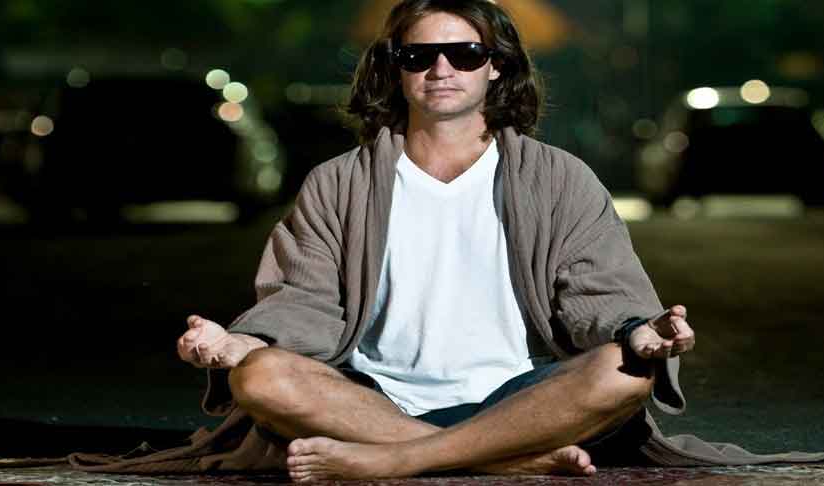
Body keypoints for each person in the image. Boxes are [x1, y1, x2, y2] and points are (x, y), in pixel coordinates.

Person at [176, 0, 695, 481]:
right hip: (372, 400)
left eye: (465, 54)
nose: (441, 69)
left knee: (624, 371)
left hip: (522, 398)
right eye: (418, 56)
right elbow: (303, 298)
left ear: (496, 65)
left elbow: (599, 284)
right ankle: (503, 461)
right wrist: (245, 342)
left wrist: (637, 330)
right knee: (259, 376)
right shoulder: (338, 183)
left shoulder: (560, 178)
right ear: (395, 68)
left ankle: (397, 458)